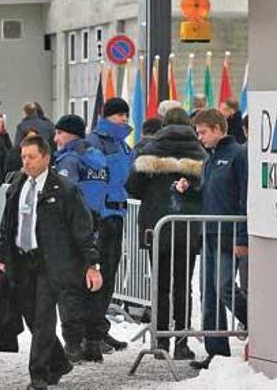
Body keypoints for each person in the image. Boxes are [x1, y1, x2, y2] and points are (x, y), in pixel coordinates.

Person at [0, 135, 102, 389]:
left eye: (31, 157)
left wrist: (91, 263)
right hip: (22, 261)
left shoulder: (64, 189)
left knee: (43, 318)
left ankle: (38, 375)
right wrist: (2, 256)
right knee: (31, 317)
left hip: (50, 263)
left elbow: (82, 229)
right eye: (23, 157)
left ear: (46, 158)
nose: (26, 162)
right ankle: (60, 362)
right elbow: (8, 225)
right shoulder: (17, 185)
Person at [126, 108, 205, 360]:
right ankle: (182, 342)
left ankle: (161, 341)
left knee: (160, 285)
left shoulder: (151, 151)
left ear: (163, 125)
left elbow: (133, 188)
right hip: (188, 227)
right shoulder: (201, 152)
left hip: (157, 226)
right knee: (183, 285)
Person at [174, 109, 248, 370]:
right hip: (209, 231)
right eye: (198, 132)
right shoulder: (209, 159)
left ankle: (254, 321)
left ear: (218, 129)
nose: (199, 137)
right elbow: (206, 197)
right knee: (210, 294)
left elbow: (243, 198)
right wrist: (187, 192)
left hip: (228, 233)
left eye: (203, 132)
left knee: (225, 286)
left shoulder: (238, 155)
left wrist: (242, 236)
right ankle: (216, 352)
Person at [52, 115, 109, 362]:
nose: (55, 139)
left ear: (70, 134)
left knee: (69, 289)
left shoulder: (69, 161)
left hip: (74, 232)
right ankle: (93, 342)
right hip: (99, 226)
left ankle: (73, 344)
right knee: (94, 287)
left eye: (59, 134)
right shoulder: (97, 158)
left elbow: (66, 197)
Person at [85, 97, 133, 352]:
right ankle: (90, 333)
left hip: (117, 214)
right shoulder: (96, 141)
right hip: (101, 217)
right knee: (97, 276)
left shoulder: (122, 145)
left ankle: (99, 328)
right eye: (118, 114)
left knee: (110, 274)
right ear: (107, 116)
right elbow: (95, 180)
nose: (124, 119)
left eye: (126, 114)